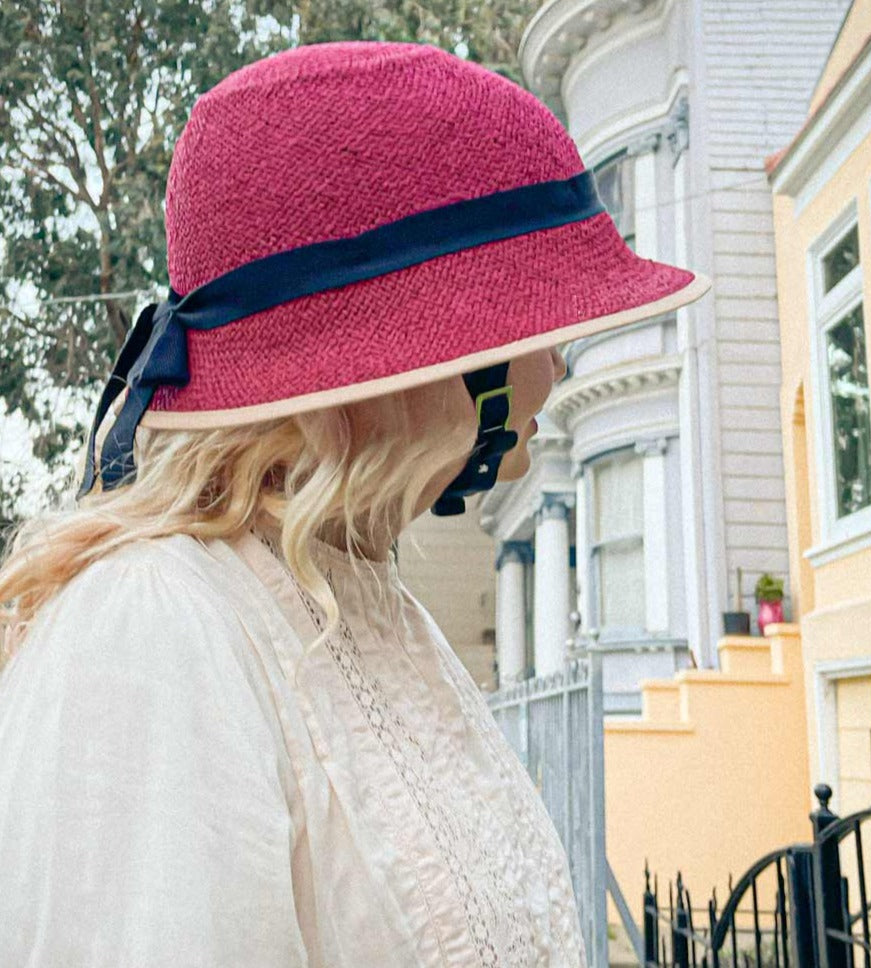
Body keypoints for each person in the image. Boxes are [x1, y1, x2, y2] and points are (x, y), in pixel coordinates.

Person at [0, 40, 709, 968]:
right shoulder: (153, 628)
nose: (560, 361)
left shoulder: (363, 602)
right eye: (536, 321)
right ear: (437, 360)